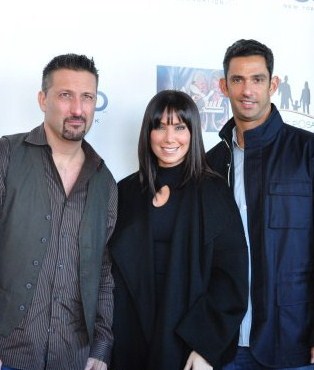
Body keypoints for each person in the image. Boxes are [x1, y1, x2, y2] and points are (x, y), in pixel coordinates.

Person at [109, 89, 248, 370]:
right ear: (148, 133)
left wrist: (205, 346)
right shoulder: (125, 191)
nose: (169, 138)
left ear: (192, 132)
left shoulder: (213, 191)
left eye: (179, 127)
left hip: (188, 345)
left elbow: (230, 278)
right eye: (159, 126)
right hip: (129, 343)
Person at [0, 54, 117, 370]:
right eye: (66, 95)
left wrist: (101, 348)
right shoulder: (6, 155)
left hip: (75, 357)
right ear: (43, 99)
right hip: (9, 355)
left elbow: (103, 271)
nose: (78, 109)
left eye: (87, 97)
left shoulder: (104, 180)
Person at [206, 39, 314, 369]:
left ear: (274, 84)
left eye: (257, 79)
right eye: (237, 80)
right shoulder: (211, 163)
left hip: (293, 341)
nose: (247, 90)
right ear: (224, 86)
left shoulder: (306, 152)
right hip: (225, 344)